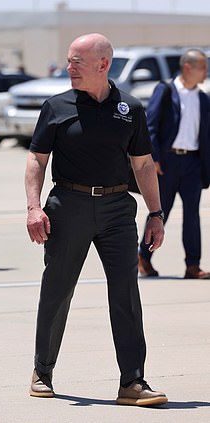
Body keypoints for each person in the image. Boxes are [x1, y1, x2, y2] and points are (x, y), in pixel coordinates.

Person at [25, 33, 168, 406]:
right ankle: (42, 370)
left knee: (126, 293)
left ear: (102, 65)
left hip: (118, 208)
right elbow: (36, 160)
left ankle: (132, 382)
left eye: (76, 61)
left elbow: (143, 165)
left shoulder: (130, 109)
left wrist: (156, 213)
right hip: (67, 205)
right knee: (57, 289)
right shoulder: (56, 106)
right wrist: (33, 207)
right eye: (69, 61)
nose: (67, 67)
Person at [138, 49, 210, 279]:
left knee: (192, 216)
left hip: (192, 163)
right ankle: (144, 257)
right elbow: (151, 125)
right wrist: (155, 158)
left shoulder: (202, 97)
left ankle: (193, 265)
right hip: (166, 162)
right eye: (203, 68)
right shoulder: (166, 90)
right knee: (160, 213)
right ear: (188, 67)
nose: (206, 73)